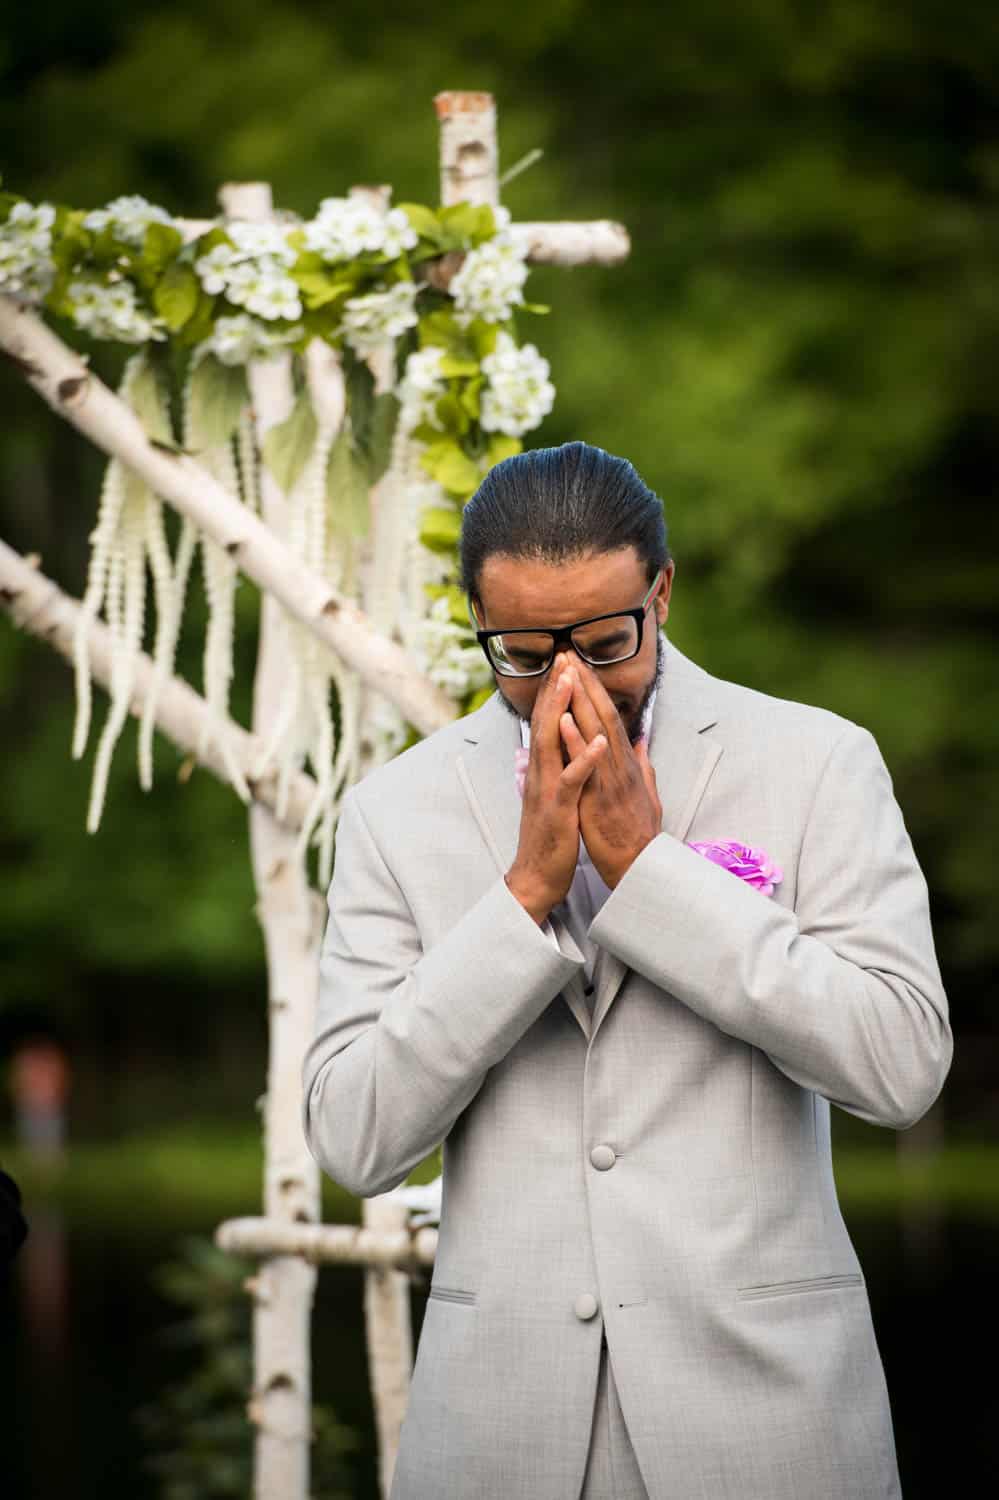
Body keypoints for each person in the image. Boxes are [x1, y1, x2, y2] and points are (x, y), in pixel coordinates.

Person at [303, 441, 951, 1499]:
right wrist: (519, 902)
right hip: (497, 1439)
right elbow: (355, 1141)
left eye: (607, 642)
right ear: (475, 619)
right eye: (521, 651)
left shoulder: (818, 760)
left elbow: (901, 1065)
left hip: (772, 1428)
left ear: (662, 590)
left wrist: (655, 879)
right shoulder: (391, 813)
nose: (566, 682)